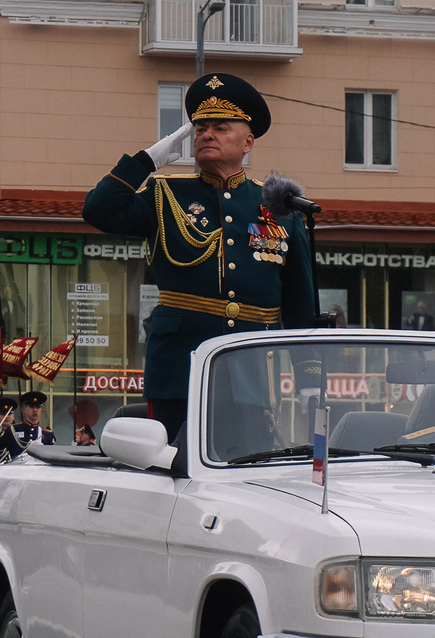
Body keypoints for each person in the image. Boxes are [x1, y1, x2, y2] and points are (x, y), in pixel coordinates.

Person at [82, 71, 317, 438]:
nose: (207, 134)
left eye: (221, 127)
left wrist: (309, 377)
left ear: (248, 142)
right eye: (201, 127)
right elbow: (98, 211)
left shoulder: (279, 206)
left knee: (246, 468)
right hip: (179, 367)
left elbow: (300, 300)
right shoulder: (165, 196)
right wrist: (146, 160)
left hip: (250, 372)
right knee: (172, 467)